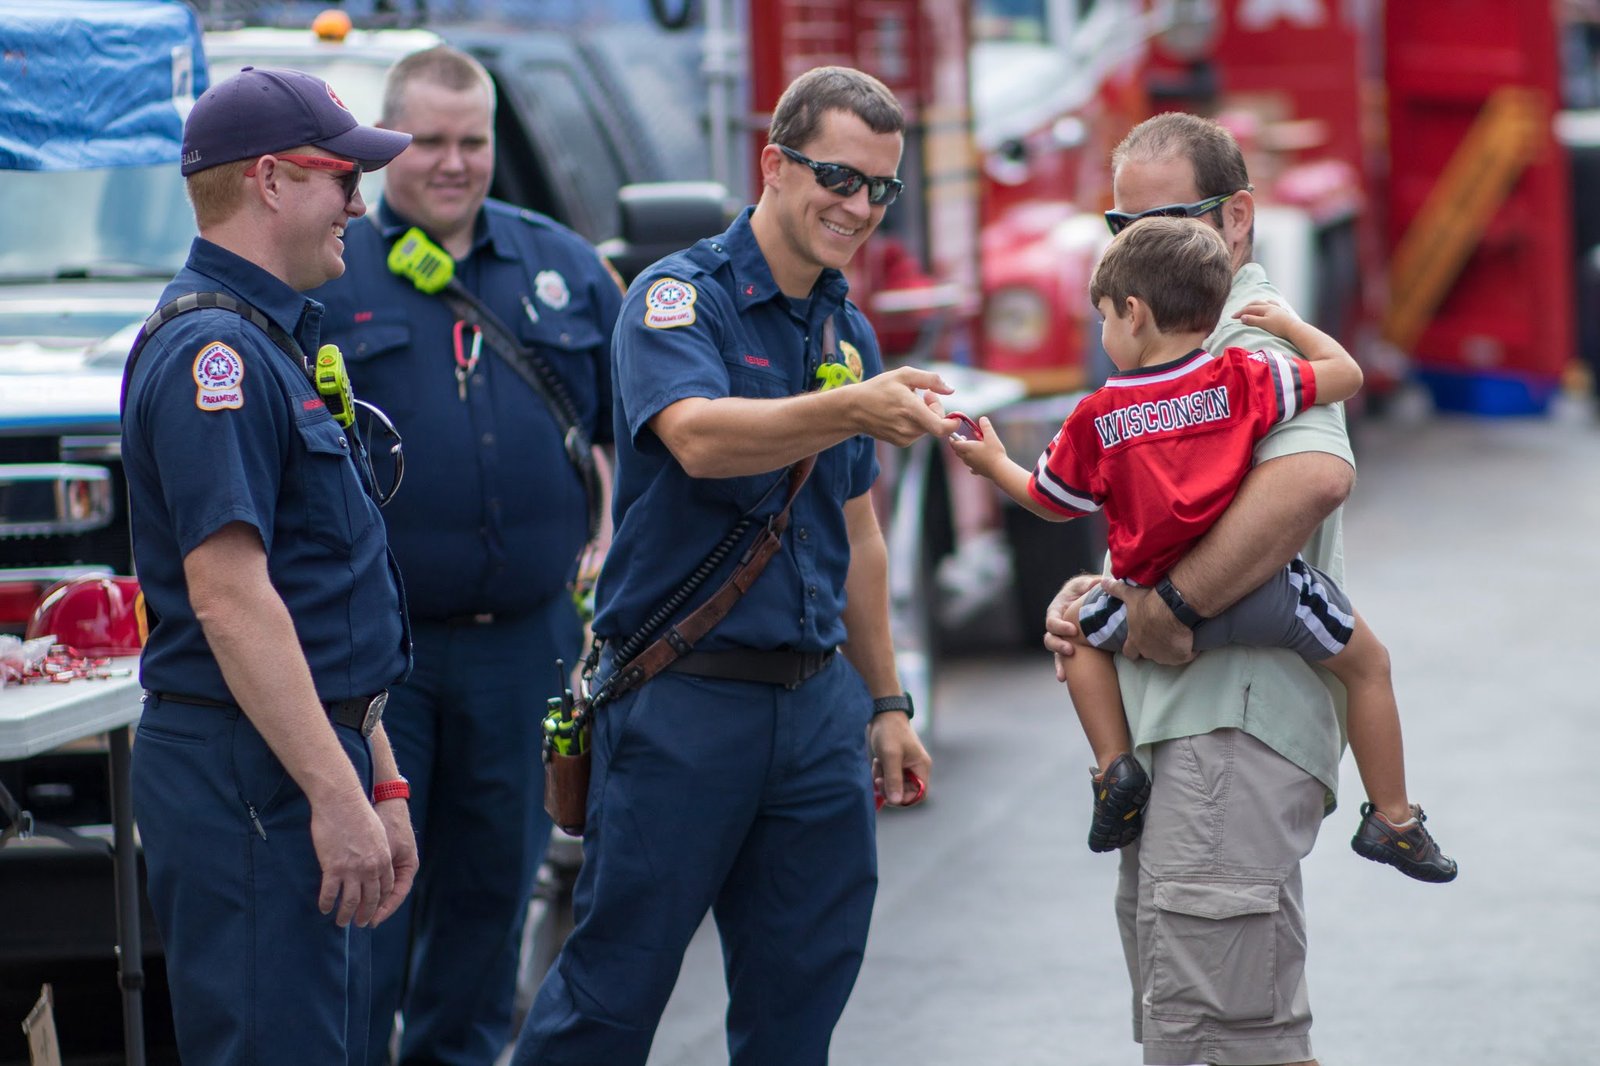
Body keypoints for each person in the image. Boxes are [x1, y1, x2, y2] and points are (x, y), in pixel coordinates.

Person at [512, 65, 951, 1065]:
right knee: (610, 994)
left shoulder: (846, 326)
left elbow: (861, 535)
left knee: (800, 1004)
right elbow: (700, 438)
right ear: (773, 164)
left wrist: (885, 704)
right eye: (837, 177)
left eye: (879, 188)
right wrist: (851, 405)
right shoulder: (678, 298)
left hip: (814, 709)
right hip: (682, 703)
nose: (857, 207)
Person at [951, 215, 1457, 883]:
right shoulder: (1246, 377)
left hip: (1139, 605)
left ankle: (1114, 771)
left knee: (1074, 635)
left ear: (1133, 315)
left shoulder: (1096, 417)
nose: (1103, 332)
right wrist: (1289, 325)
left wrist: (990, 463)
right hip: (1265, 595)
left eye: (1102, 316)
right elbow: (1346, 375)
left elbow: (1048, 499)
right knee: (1368, 665)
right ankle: (1394, 819)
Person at [310, 45, 622, 1066]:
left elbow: (644, 431)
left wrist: (610, 526)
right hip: (376, 664)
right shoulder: (324, 268)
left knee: (492, 907)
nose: (453, 163)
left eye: (473, 141)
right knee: (369, 908)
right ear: (385, 142)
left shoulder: (562, 266)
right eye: (428, 140)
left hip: (522, 650)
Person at [1037, 110, 1360, 1066]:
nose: (1144, 247)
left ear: (1238, 222)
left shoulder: (1246, 349)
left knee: (1216, 1041)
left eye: (1170, 217)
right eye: (1123, 228)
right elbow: (1183, 522)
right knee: (1203, 1025)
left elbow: (1311, 480)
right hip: (1189, 736)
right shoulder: (1181, 351)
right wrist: (1106, 588)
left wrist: (1166, 609)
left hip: (1228, 731)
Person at [121, 67, 415, 1064]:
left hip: (296, 753)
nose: (361, 205)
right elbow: (234, 601)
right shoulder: (219, 357)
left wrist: (376, 777)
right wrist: (335, 796)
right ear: (273, 181)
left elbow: (317, 593)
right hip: (249, 770)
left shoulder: (269, 343)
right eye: (345, 178)